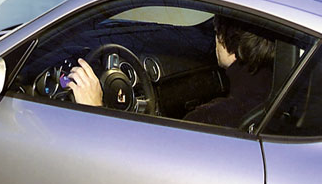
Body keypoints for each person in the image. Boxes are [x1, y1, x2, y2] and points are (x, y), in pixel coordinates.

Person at [68, 15, 276, 127]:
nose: (214, 41)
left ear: (227, 41)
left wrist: (96, 110)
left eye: (215, 33)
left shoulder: (211, 119)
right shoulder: (275, 94)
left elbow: (142, 167)